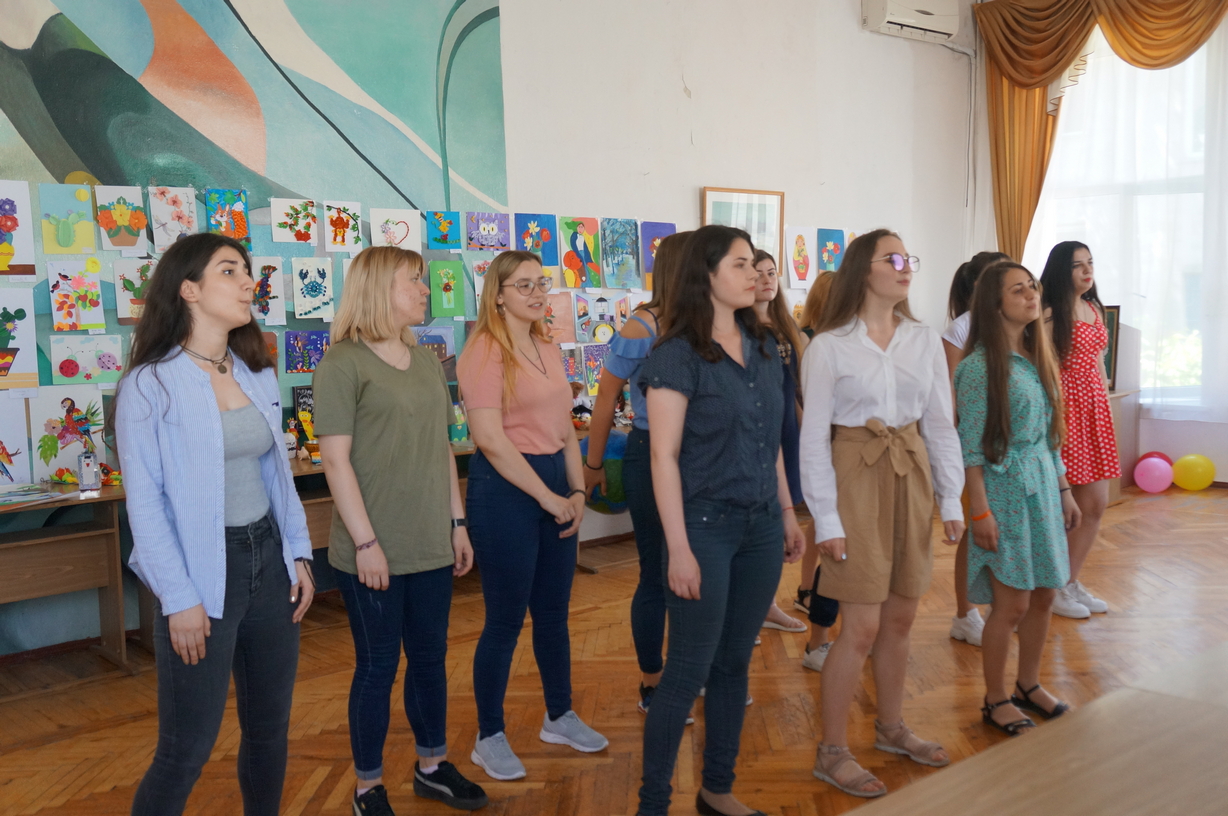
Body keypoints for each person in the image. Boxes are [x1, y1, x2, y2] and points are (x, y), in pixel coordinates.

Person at [116, 233, 314, 816]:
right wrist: (178, 598)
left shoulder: (255, 372)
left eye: (247, 270)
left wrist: (298, 553)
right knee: (186, 749)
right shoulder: (149, 384)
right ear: (189, 289)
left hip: (269, 564)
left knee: (270, 732)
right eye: (230, 271)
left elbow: (278, 477)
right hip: (203, 572)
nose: (249, 281)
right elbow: (145, 505)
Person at [637, 225, 806, 816]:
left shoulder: (765, 346)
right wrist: (679, 549)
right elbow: (662, 458)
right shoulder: (675, 356)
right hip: (703, 527)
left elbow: (772, 441)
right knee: (687, 671)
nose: (754, 273)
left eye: (755, 264)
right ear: (704, 276)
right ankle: (653, 804)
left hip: (760, 526)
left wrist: (787, 512)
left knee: (734, 663)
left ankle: (716, 790)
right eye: (740, 264)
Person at [313, 246, 487, 814]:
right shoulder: (342, 363)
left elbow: (441, 449)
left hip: (430, 542)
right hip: (372, 549)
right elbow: (335, 461)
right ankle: (368, 787)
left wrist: (457, 523)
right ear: (378, 288)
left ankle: (432, 766)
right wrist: (366, 543)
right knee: (378, 667)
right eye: (413, 279)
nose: (425, 289)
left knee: (431, 659)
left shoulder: (427, 361)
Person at [799, 229, 965, 798]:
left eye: (907, 257)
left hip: (910, 470)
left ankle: (891, 727)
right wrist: (826, 519)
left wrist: (951, 497)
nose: (904, 266)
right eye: (891, 258)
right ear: (861, 270)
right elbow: (813, 440)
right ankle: (832, 750)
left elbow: (939, 422)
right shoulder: (828, 346)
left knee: (900, 619)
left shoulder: (922, 339)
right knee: (861, 627)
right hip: (855, 473)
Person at [457, 250, 608, 782]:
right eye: (523, 285)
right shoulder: (483, 350)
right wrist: (547, 497)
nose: (537, 293)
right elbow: (489, 439)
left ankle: (559, 715)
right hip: (505, 492)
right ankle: (489, 736)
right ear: (497, 295)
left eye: (541, 283)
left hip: (555, 485)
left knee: (553, 613)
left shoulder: (547, 345)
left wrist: (576, 489)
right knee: (504, 620)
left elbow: (564, 428)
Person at [955, 261, 1079, 737]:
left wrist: (1064, 490)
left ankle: (1028, 684)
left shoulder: (1035, 354)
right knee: (1011, 605)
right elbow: (971, 449)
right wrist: (980, 510)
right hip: (1004, 491)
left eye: (1033, 287)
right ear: (994, 303)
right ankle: (996, 698)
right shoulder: (977, 367)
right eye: (1018, 290)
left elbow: (1050, 436)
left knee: (1045, 593)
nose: (1031, 296)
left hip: (1042, 484)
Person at [583, 231, 693, 717]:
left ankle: (692, 671)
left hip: (702, 457)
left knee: (701, 568)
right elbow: (605, 397)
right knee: (658, 573)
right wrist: (592, 465)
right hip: (651, 453)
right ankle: (653, 682)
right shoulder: (641, 326)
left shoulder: (711, 320)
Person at [1040, 241, 1120, 619]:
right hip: (1065, 413)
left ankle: (1070, 582)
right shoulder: (1048, 313)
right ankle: (1054, 587)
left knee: (1096, 504)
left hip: (1095, 413)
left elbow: (1099, 363)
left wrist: (1105, 402)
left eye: (1090, 263)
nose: (1088, 271)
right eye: (1078, 265)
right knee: (1066, 508)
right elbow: (1042, 367)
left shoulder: (1093, 308)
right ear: (1061, 270)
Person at [942, 250, 1010, 647]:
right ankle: (966, 613)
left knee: (1008, 524)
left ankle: (1007, 603)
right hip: (976, 443)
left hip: (1012, 445)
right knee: (977, 525)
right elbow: (952, 397)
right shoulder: (962, 328)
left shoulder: (1014, 323)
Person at [750, 250, 811, 640]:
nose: (767, 280)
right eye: (758, 274)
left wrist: (807, 432)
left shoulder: (788, 327)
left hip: (787, 429)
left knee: (779, 520)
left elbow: (796, 391)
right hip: (758, 431)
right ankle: (751, 607)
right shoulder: (739, 328)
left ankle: (766, 604)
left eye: (772, 273)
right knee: (760, 520)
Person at [792, 270, 842, 658]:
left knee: (820, 520)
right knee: (825, 521)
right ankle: (810, 593)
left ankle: (808, 589)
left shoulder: (836, 338)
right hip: (821, 438)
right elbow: (802, 396)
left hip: (835, 438)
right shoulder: (809, 340)